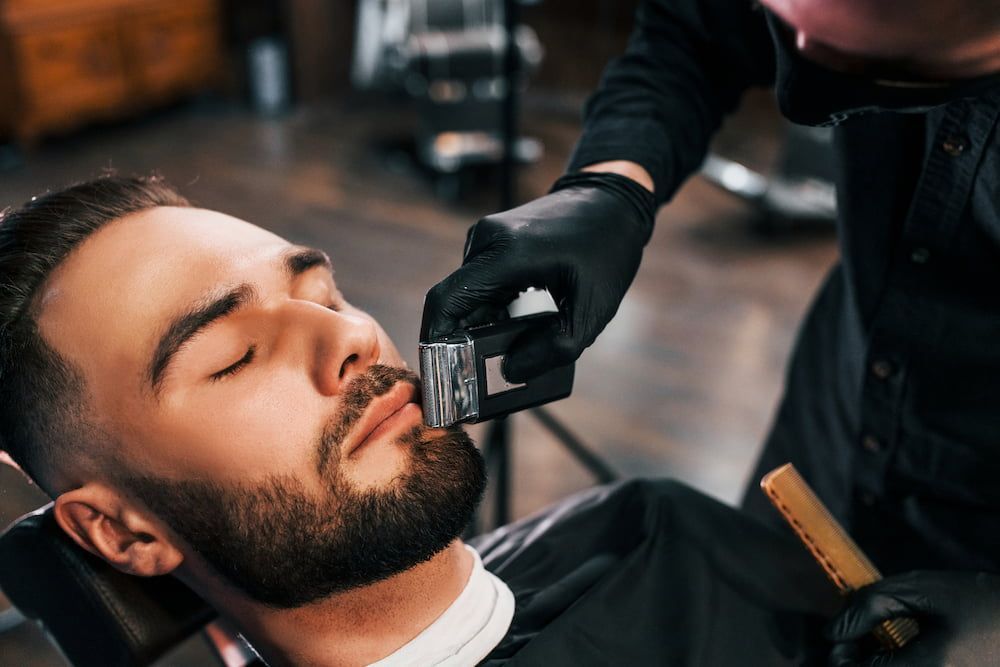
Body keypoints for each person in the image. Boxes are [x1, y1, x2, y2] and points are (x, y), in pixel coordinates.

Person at [0, 175, 848, 666]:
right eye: (232, 355)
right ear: (120, 531)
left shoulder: (650, 525)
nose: (352, 335)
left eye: (321, 292)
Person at [421, 0, 1000, 664]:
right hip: (837, 419)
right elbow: (697, 34)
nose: (798, 62)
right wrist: (612, 185)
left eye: (866, 60)